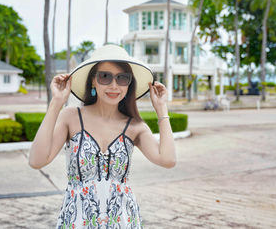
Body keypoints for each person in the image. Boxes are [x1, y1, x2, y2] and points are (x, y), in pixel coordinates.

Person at [28, 44, 176, 228]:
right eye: (105, 76)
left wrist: (161, 108)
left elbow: (168, 160)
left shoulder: (134, 126)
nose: (114, 85)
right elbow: (36, 160)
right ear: (93, 81)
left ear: (129, 84)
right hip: (77, 220)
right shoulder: (71, 116)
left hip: (123, 220)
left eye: (122, 78)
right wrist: (56, 102)